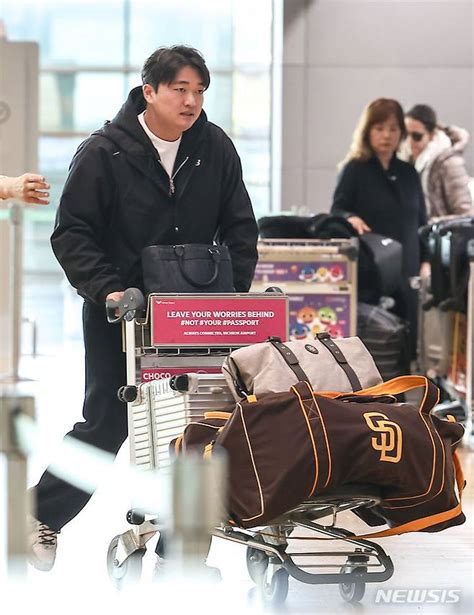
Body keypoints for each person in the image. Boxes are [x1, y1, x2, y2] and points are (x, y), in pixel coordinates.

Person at [28, 45, 258, 571]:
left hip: (197, 316)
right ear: (149, 91)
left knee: (197, 424)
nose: (192, 101)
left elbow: (241, 227)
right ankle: (41, 515)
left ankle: (181, 542)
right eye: (180, 89)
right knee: (107, 423)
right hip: (122, 312)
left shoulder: (214, 147)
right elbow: (73, 233)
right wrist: (107, 291)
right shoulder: (104, 152)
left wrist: (232, 293)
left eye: (200, 91)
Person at [330, 98, 428, 357]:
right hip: (370, 271)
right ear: (367, 131)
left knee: (405, 342)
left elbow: (421, 221)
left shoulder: (409, 173)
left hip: (407, 270)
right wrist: (349, 217)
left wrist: (425, 261)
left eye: (393, 129)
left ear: (401, 134)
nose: (386, 135)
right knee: (373, 341)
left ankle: (404, 393)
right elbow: (337, 211)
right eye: (379, 128)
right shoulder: (355, 170)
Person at [400, 104, 473, 221]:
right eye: (405, 135)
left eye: (416, 136)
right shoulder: (403, 160)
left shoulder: (449, 163)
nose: (409, 142)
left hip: (441, 236)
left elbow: (466, 215)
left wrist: (433, 224)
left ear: (432, 134)